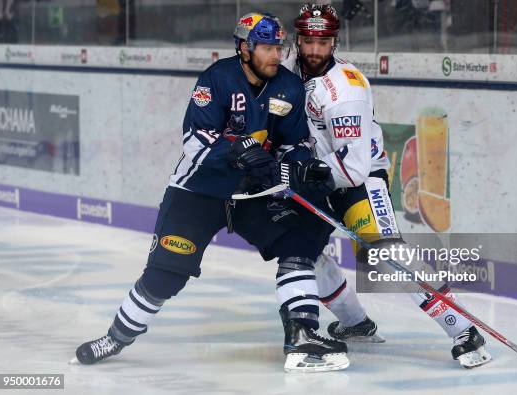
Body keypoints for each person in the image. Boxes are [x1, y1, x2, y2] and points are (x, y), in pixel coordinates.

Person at [72, 12, 349, 373]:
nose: (276, 55)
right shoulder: (216, 80)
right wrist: (236, 152)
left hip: (253, 195)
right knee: (165, 276)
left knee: (298, 242)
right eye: (266, 47)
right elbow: (194, 142)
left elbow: (292, 143)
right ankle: (116, 336)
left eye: (278, 47)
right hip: (199, 192)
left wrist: (301, 163)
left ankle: (301, 335)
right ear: (244, 48)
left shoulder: (289, 88)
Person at [283, 3, 491, 368]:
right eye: (308, 41)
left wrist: (303, 173)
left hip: (356, 180)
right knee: (306, 252)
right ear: (298, 39)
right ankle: (356, 324)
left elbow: (354, 168)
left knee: (387, 256)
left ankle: (463, 330)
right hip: (314, 175)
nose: (315, 50)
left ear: (335, 42)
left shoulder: (344, 89)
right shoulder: (286, 74)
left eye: (324, 41)